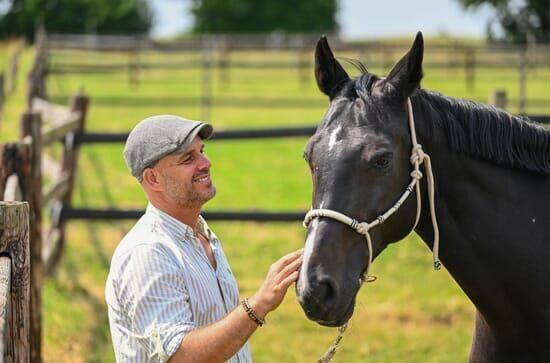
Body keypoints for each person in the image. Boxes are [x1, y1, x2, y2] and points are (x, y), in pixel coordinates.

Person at [105, 115, 303, 362]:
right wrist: (259, 304)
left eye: (202, 151)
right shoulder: (147, 253)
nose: (206, 162)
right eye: (188, 158)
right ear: (153, 179)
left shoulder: (200, 234)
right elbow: (180, 357)